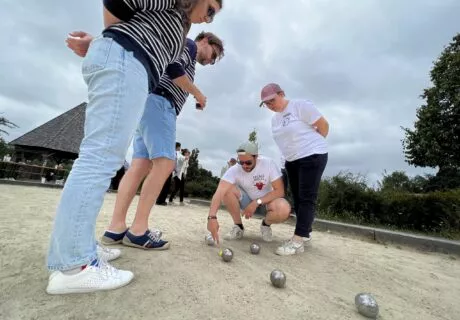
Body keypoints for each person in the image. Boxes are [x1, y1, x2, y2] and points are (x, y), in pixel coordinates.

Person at [46, 0, 223, 295]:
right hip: (148, 86)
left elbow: (141, 34)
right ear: (204, 43)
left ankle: (106, 233)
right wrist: (198, 93)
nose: (208, 20)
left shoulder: (177, 25)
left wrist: (105, 42)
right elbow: (120, 4)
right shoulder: (188, 37)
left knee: (134, 162)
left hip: (139, 79)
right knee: (130, 161)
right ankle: (76, 264)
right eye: (211, 11)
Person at [99, 32, 224, 248]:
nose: (211, 62)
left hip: (148, 102)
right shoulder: (189, 46)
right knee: (165, 163)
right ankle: (138, 231)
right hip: (161, 103)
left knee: (139, 166)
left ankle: (116, 227)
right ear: (206, 41)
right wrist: (198, 94)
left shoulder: (186, 50)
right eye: (214, 55)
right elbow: (174, 70)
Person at [259, 83, 329, 256]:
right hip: (291, 161)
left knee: (307, 197)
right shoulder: (274, 120)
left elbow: (324, 127)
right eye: (266, 104)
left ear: (282, 94)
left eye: (272, 101)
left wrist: (309, 144)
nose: (270, 106)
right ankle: (305, 233)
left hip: (312, 155)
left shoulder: (300, 106)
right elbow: (284, 143)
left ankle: (297, 241)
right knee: (297, 198)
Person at [206, 142, 291, 244]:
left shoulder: (268, 164)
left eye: (248, 162)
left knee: (284, 208)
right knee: (227, 189)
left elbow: (280, 191)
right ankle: (238, 226)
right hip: (246, 202)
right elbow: (219, 192)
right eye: (241, 163)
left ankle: (265, 224)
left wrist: (256, 202)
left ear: (256, 157)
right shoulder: (235, 170)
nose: (244, 166)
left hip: (267, 204)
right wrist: (212, 217)